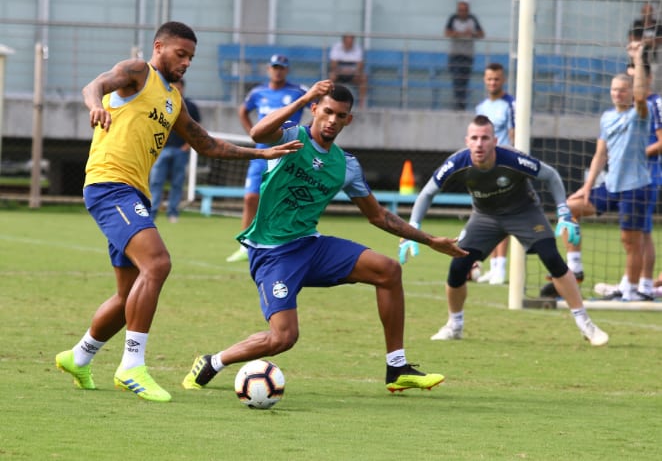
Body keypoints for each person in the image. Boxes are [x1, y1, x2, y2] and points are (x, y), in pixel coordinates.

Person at [54, 21, 303, 402]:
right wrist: (93, 108)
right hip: (108, 185)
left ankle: (80, 355)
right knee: (158, 264)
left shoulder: (173, 100)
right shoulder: (139, 72)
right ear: (159, 47)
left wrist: (262, 152)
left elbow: (205, 142)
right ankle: (132, 366)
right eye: (180, 54)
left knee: (127, 295)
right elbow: (95, 85)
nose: (186, 62)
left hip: (134, 192)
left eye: (191, 57)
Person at [182, 81, 468, 393]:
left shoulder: (346, 166)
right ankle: (213, 362)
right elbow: (257, 134)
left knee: (388, 270)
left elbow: (377, 215)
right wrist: (302, 98)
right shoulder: (292, 136)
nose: (332, 120)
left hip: (310, 245)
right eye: (327, 111)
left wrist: (429, 240)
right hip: (272, 252)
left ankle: (397, 367)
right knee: (283, 338)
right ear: (315, 110)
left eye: (340, 115)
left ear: (349, 120)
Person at [398, 115, 609, 347]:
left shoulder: (512, 159)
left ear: (494, 141)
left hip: (524, 212)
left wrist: (563, 212)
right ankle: (454, 325)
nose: (480, 144)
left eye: (485, 138)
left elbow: (550, 175)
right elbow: (427, 193)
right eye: (475, 138)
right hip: (485, 217)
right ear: (467, 141)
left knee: (552, 257)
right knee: (458, 267)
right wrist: (413, 227)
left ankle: (586, 325)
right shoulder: (456, 162)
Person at [558, 41, 654, 302]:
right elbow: (600, 154)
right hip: (611, 186)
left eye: (623, 90)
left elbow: (642, 95)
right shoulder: (607, 117)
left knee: (630, 241)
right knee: (569, 208)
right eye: (614, 90)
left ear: (630, 92)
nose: (617, 94)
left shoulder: (640, 114)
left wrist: (638, 59)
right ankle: (575, 267)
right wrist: (588, 186)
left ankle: (631, 291)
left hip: (636, 187)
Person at [226, 54, 309, 263]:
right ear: (268, 69)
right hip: (261, 152)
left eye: (281, 67)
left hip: (288, 153)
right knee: (250, 197)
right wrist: (251, 132)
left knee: (284, 200)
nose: (278, 70)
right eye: (274, 67)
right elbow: (243, 111)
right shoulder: (258, 92)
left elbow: (317, 108)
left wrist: (305, 133)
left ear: (287, 70)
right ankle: (245, 247)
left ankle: (285, 245)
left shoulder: (297, 92)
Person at [594, 59, 662, 299]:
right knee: (640, 233)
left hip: (647, 175)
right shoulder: (612, 114)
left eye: (634, 79)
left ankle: (640, 286)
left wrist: (634, 153)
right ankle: (637, 285)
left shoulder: (654, 104)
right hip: (621, 179)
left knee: (642, 232)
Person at [474, 62, 515, 285]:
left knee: (502, 215)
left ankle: (501, 267)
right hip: (484, 167)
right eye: (489, 79)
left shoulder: (511, 105)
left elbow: (514, 134)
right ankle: (492, 265)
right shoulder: (481, 107)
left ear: (503, 79)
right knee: (488, 214)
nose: (493, 82)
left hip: (503, 166)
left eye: (497, 79)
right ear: (484, 80)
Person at [149, 78, 200, 222]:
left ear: (183, 88)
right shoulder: (161, 103)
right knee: (156, 181)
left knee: (177, 182)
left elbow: (197, 128)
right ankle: (152, 213)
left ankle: (173, 213)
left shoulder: (190, 106)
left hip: (180, 150)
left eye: (179, 87)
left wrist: (187, 146)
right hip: (161, 150)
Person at [444, 1, 484, 110]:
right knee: (457, 80)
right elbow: (447, 33)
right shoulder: (453, 18)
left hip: (467, 55)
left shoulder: (472, 19)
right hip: (455, 55)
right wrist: (460, 34)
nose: (462, 13)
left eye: (465, 10)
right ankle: (457, 104)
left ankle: (462, 105)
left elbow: (481, 34)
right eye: (460, 10)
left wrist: (472, 34)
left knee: (464, 80)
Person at [629, 3, 662, 91]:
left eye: (649, 11)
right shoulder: (637, 24)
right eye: (645, 11)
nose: (647, 14)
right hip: (638, 58)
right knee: (636, 78)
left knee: (652, 80)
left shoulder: (657, 24)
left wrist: (649, 41)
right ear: (642, 12)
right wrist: (647, 41)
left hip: (653, 58)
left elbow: (659, 39)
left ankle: (651, 97)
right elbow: (632, 38)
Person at [329, 34, 368, 108]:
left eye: (351, 42)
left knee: (363, 79)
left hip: (353, 74)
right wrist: (341, 70)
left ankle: (361, 105)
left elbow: (360, 65)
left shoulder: (357, 48)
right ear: (343, 41)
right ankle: (330, 101)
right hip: (339, 73)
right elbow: (333, 65)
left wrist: (352, 71)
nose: (349, 44)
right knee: (331, 78)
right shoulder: (336, 47)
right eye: (348, 42)